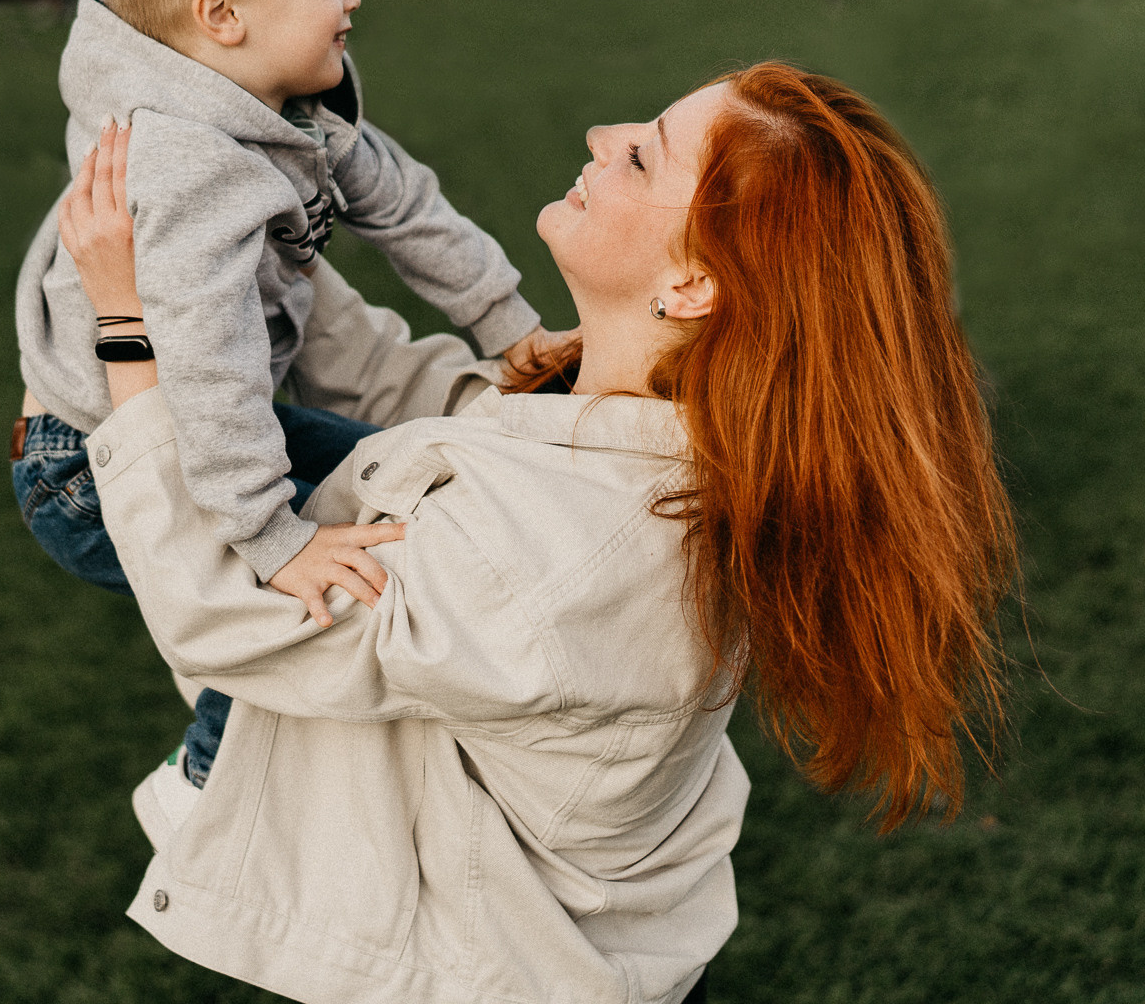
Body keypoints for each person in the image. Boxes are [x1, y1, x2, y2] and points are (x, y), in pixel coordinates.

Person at [55, 63, 1021, 1004]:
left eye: (642, 157)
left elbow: (223, 614)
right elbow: (415, 392)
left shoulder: (556, 557)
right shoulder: (657, 426)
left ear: (694, 285)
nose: (603, 137)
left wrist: (128, 326)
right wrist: (233, 239)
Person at [10, 0, 564, 792]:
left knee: (405, 491)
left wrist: (515, 334)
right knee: (303, 598)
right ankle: (210, 777)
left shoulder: (286, 114)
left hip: (204, 432)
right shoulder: (189, 166)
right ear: (222, 16)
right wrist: (273, 540)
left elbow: (407, 207)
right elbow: (208, 369)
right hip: (96, 468)